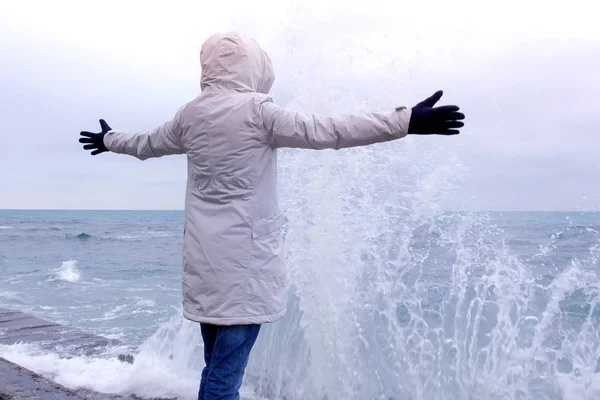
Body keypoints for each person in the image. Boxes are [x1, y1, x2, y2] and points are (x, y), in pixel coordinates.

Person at [79, 31, 465, 400]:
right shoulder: (258, 112)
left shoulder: (189, 116)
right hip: (245, 270)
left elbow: (145, 143)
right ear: (252, 66)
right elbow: (329, 130)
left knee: (216, 367)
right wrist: (405, 121)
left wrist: (109, 139)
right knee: (225, 378)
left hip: (203, 265)